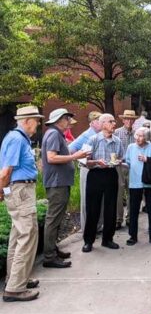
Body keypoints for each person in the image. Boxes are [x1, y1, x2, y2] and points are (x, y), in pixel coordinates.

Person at [0, 105, 44, 302]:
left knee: (17, 237)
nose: (38, 123)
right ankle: (16, 288)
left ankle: (15, 279)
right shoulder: (17, 139)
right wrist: (1, 190)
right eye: (36, 120)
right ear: (27, 121)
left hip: (19, 189)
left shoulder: (16, 138)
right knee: (27, 236)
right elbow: (5, 172)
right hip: (21, 191)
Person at [42, 108, 89, 269]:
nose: (70, 121)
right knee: (53, 219)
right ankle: (49, 256)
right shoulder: (54, 134)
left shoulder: (55, 134)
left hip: (60, 182)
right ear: (59, 120)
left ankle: (53, 250)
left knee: (57, 218)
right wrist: (75, 156)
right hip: (57, 183)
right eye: (67, 118)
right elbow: (52, 157)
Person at [81, 114, 124, 253]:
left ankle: (108, 239)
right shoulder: (92, 139)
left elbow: (121, 158)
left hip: (111, 174)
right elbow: (83, 161)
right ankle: (88, 241)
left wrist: (117, 162)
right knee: (93, 208)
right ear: (103, 123)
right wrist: (96, 162)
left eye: (114, 121)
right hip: (95, 174)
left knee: (111, 208)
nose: (114, 124)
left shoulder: (117, 141)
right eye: (111, 121)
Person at [124, 127, 151, 246]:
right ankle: (132, 236)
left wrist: (147, 159)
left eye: (140, 136)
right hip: (135, 182)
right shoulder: (131, 147)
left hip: (149, 183)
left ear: (146, 137)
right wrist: (120, 163)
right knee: (134, 210)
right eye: (136, 135)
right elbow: (128, 163)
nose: (137, 138)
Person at [68, 111, 102, 231]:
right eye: (99, 121)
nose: (102, 123)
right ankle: (86, 228)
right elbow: (70, 149)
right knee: (86, 200)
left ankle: (97, 227)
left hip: (98, 170)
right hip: (87, 170)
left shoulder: (100, 134)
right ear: (92, 123)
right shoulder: (86, 135)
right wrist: (80, 157)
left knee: (98, 199)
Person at [115, 110, 138, 229]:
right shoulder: (116, 133)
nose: (129, 121)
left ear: (134, 120)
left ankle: (130, 218)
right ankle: (118, 219)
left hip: (133, 167)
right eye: (127, 119)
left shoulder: (137, 134)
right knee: (118, 194)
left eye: (131, 119)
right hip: (119, 166)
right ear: (123, 120)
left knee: (132, 194)